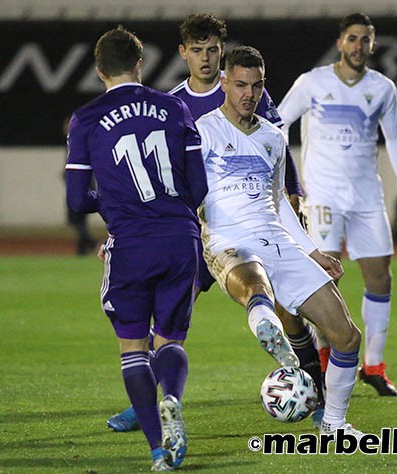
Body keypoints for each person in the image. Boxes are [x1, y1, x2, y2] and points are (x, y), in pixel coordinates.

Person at [107, 13, 326, 433]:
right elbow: (159, 174)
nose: (206, 60)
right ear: (182, 53)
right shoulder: (171, 104)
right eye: (197, 51)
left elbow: (279, 154)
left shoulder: (248, 94)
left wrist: (295, 202)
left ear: (222, 55)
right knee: (169, 313)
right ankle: (147, 403)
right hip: (195, 233)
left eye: (212, 51)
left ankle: (313, 385)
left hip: (249, 228)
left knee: (286, 311)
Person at [197, 45, 363, 436]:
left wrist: (311, 250)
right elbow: (184, 193)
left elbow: (279, 203)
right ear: (223, 83)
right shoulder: (202, 132)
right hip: (229, 240)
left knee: (346, 335)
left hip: (278, 241)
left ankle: (334, 425)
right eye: (240, 84)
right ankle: (271, 331)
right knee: (255, 284)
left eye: (256, 86)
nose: (248, 94)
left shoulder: (273, 136)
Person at [65, 26, 207, 471]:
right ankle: (173, 400)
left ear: (98, 69)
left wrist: (107, 200)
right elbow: (199, 187)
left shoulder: (86, 119)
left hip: (130, 243)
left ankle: (158, 451)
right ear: (140, 64)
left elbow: (75, 202)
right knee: (170, 339)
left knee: (133, 348)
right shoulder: (175, 107)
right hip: (181, 238)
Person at [278, 13, 397, 397]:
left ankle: (374, 366)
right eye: (352, 38)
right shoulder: (313, 82)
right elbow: (279, 123)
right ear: (340, 42)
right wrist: (287, 182)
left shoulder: (383, 88)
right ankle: (325, 364)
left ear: (371, 45)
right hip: (322, 195)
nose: (358, 46)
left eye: (365, 39)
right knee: (324, 278)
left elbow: (394, 139)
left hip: (366, 196)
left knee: (380, 277)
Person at [62, 116, 96, 256]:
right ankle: (82, 249)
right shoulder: (84, 141)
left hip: (81, 188)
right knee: (79, 220)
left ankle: (90, 241)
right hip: (85, 186)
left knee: (74, 219)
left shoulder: (77, 143)